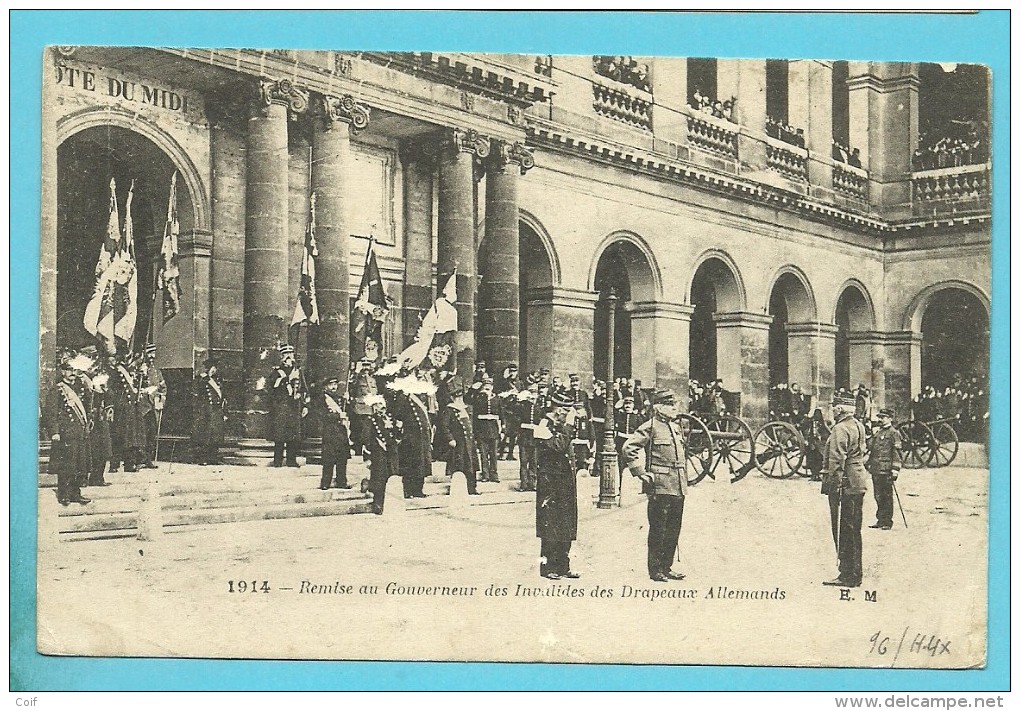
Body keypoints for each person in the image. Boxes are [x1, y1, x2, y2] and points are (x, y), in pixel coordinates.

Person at [622, 389, 688, 583]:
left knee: (673, 528)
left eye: (675, 404)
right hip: (660, 485)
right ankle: (655, 569)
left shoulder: (675, 427)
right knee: (658, 528)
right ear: (659, 407)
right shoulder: (650, 426)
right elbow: (629, 448)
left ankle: (667, 567)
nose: (675, 407)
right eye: (670, 404)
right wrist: (640, 472)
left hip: (677, 485)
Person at [821, 394, 869, 588]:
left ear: (840, 410)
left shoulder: (840, 428)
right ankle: (855, 572)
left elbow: (836, 459)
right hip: (858, 480)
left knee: (844, 529)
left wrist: (833, 485)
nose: (832, 410)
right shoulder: (858, 425)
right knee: (854, 528)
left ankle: (847, 574)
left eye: (834, 408)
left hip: (846, 483)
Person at [534, 389, 581, 580]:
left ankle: (563, 565)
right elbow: (557, 446)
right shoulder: (544, 425)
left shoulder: (560, 426)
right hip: (550, 484)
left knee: (566, 525)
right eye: (566, 410)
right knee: (550, 525)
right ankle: (548, 567)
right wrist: (568, 425)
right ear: (558, 409)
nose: (568, 414)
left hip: (565, 482)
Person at [45, 356, 92, 505]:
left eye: (74, 369)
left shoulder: (79, 388)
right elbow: (50, 413)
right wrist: (54, 431)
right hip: (65, 434)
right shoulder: (57, 390)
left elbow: (88, 406)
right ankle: (64, 494)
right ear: (62, 371)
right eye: (69, 369)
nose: (72, 372)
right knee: (66, 465)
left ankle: (75, 493)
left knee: (79, 464)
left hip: (79, 432)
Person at [437, 377, 481, 496]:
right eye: (457, 397)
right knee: (459, 465)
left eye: (461, 397)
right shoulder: (449, 410)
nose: (459, 399)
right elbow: (444, 426)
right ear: (453, 397)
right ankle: (458, 487)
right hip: (458, 443)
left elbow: (471, 424)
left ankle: (472, 488)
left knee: (471, 465)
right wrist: (450, 439)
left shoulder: (467, 408)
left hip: (469, 442)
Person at [267, 344, 306, 467]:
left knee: (293, 435)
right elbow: (271, 388)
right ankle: (277, 461)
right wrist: (286, 380)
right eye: (286, 355)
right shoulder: (277, 372)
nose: (289, 357)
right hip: (281, 406)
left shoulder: (298, 371)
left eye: (291, 354)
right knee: (280, 435)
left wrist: (304, 405)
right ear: (282, 357)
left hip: (294, 407)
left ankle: (291, 460)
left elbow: (304, 388)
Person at [392, 377, 432, 499]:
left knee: (422, 463)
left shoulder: (420, 397)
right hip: (410, 436)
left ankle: (418, 490)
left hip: (422, 436)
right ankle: (408, 490)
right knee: (410, 464)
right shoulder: (403, 398)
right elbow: (398, 414)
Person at [867, 408, 902, 531]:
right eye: (880, 417)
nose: (880, 419)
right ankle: (880, 519)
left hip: (887, 469)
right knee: (878, 495)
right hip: (876, 469)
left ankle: (887, 521)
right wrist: (872, 434)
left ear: (890, 419)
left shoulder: (894, 433)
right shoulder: (878, 432)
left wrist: (895, 470)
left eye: (883, 417)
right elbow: (870, 446)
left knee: (886, 496)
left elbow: (897, 453)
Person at [367, 395, 402, 514]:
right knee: (379, 478)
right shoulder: (370, 419)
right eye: (379, 405)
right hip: (378, 452)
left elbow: (396, 436)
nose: (382, 408)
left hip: (391, 452)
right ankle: (377, 503)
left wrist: (398, 428)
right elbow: (366, 438)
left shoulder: (389, 419)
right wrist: (367, 456)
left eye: (382, 405)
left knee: (392, 476)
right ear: (374, 407)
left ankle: (390, 502)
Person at [318, 376, 352, 490]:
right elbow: (322, 415)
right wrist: (338, 415)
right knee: (329, 458)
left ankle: (341, 481)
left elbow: (348, 411)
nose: (334, 387)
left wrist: (348, 400)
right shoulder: (322, 399)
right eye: (331, 384)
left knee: (342, 458)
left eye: (335, 384)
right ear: (326, 386)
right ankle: (325, 482)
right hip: (330, 430)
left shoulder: (339, 399)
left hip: (341, 431)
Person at [192, 357, 227, 466]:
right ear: (207, 368)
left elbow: (223, 397)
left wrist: (225, 412)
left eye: (214, 368)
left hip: (217, 411)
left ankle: (214, 457)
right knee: (205, 436)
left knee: (216, 435)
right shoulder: (201, 379)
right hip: (206, 411)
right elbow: (195, 396)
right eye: (212, 368)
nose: (213, 370)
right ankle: (203, 458)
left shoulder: (218, 380)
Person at [137, 343, 167, 468]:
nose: (152, 356)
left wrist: (160, 398)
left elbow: (163, 387)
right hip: (142, 406)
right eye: (149, 353)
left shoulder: (156, 371)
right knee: (141, 434)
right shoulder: (139, 369)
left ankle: (148, 459)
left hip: (153, 406)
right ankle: (140, 459)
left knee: (151, 434)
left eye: (153, 353)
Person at [470, 375, 502, 483]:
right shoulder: (478, 398)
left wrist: (502, 430)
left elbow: (501, 415)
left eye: (490, 385)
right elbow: (474, 412)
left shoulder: (497, 399)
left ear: (492, 387)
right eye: (486, 385)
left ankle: (494, 474)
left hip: (493, 429)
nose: (488, 387)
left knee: (493, 454)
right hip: (482, 429)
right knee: (483, 454)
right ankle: (485, 474)